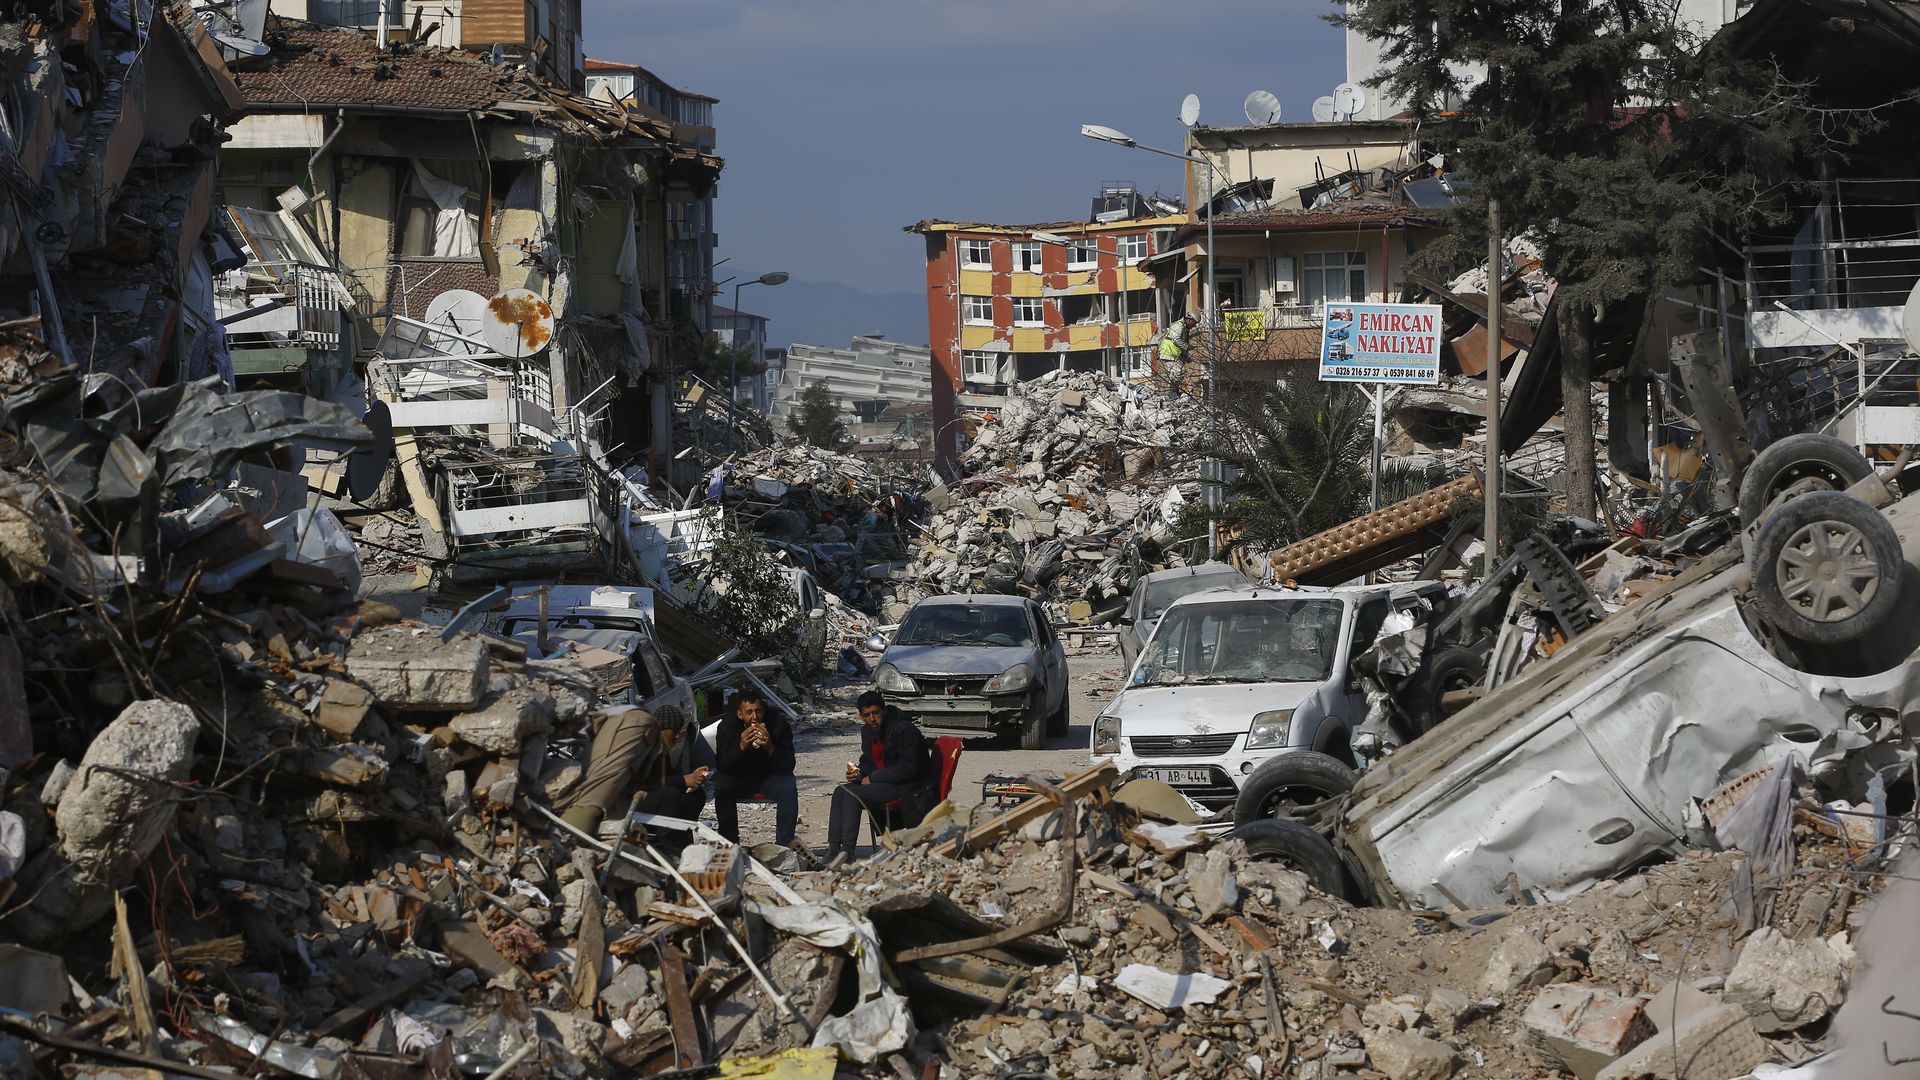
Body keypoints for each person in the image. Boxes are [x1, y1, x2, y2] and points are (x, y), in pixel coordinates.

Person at [560, 703, 707, 835]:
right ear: (662, 730)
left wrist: (691, 778)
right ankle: (665, 842)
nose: (677, 737)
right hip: (624, 800)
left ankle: (683, 839)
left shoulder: (661, 749)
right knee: (671, 794)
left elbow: (667, 776)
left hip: (646, 795)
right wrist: (683, 780)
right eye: (674, 732)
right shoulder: (640, 747)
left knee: (695, 796)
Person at [825, 693, 935, 862]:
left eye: (876, 713)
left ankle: (847, 851)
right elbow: (869, 760)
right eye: (867, 715)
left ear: (883, 711)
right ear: (861, 716)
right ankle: (833, 849)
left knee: (852, 794)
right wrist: (859, 773)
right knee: (841, 790)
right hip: (886, 783)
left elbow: (908, 769)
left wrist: (873, 777)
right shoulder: (869, 732)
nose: (872, 719)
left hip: (909, 788)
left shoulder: (904, 730)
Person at [711, 688, 799, 846]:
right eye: (749, 712)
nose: (754, 717)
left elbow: (788, 766)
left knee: (788, 786)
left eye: (758, 711)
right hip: (740, 778)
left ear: (764, 710)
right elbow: (723, 766)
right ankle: (729, 840)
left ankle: (785, 842)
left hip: (769, 777)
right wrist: (741, 747)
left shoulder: (778, 724)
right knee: (722, 786)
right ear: (740, 714)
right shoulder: (727, 727)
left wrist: (771, 748)